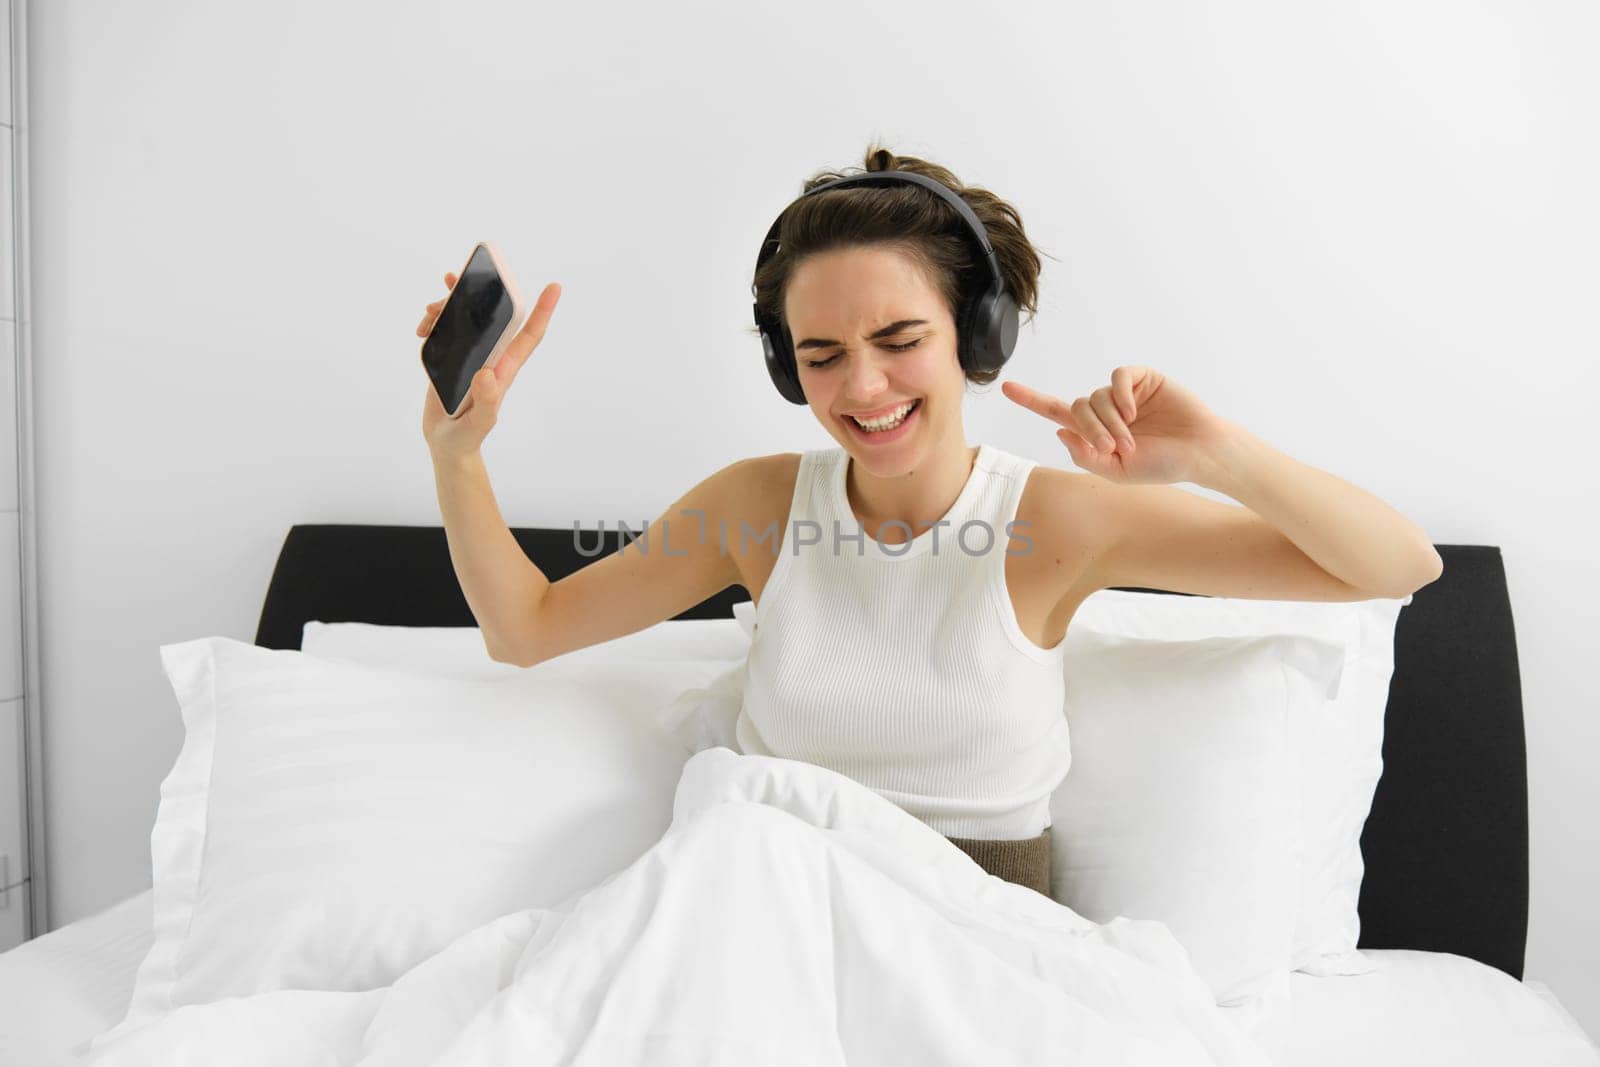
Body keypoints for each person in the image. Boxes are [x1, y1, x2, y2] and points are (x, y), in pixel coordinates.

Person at [417, 144, 1444, 899]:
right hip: (759, 909)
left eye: (900, 337)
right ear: (787, 368)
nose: (861, 385)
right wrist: (456, 454)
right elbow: (526, 629)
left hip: (979, 943)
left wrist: (1218, 454)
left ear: (977, 335)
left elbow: (1395, 565)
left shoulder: (1061, 521)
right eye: (819, 354)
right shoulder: (754, 508)